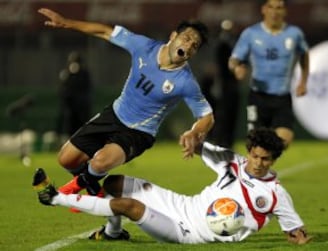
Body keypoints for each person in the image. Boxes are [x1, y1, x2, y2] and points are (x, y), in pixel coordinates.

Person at [37, 8, 214, 200]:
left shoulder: (185, 82)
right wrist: (67, 22)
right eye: (186, 38)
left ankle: (67, 192)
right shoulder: (143, 46)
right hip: (114, 114)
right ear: (173, 36)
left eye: (195, 46)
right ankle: (98, 194)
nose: (189, 46)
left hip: (138, 133)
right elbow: (105, 31)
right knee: (66, 159)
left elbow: (207, 116)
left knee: (99, 163)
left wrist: (194, 132)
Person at [33, 127, 312, 245]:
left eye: (266, 159)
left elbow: (295, 229)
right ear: (249, 151)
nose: (259, 163)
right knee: (115, 183)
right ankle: (112, 234)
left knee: (129, 206)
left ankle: (55, 198)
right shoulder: (232, 161)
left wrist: (298, 237)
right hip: (180, 204)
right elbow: (198, 143)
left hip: (188, 231)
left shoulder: (276, 194)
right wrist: (191, 140)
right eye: (255, 155)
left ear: (274, 159)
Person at [228, 0, 310, 148]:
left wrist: (303, 81)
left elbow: (304, 55)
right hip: (258, 96)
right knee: (255, 145)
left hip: (282, 97)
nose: (275, 11)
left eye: (279, 8)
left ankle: (266, 165)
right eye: (271, 7)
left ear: (285, 11)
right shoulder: (251, 33)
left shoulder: (294, 34)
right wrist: (237, 68)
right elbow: (234, 59)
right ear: (263, 9)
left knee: (283, 142)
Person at [212, 19, 240, 149]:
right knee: (223, 113)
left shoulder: (232, 44)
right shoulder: (223, 45)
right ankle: (221, 140)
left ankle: (227, 140)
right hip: (225, 84)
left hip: (230, 83)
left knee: (230, 113)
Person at [56, 51, 93, 138]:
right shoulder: (66, 74)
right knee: (70, 129)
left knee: (81, 128)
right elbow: (62, 91)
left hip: (81, 108)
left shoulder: (84, 74)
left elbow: (86, 89)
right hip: (70, 108)